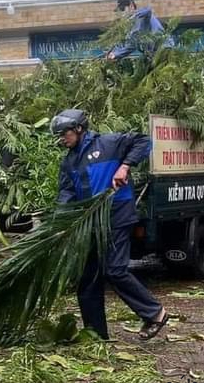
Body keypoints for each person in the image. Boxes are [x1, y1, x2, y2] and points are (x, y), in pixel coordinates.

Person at [52, 109, 169, 341]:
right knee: (88, 278)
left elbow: (144, 141)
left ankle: (155, 313)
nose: (61, 139)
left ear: (78, 128)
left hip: (116, 216)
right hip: (91, 223)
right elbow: (66, 193)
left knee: (114, 270)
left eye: (63, 133)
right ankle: (96, 335)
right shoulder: (69, 162)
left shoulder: (109, 143)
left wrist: (125, 165)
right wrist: (60, 222)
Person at [108, 0, 174, 60]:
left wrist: (134, 16)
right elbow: (131, 45)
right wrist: (115, 55)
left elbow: (148, 10)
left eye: (122, 9)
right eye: (119, 12)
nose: (121, 14)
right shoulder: (132, 28)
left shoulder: (142, 15)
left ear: (131, 6)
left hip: (165, 47)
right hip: (154, 54)